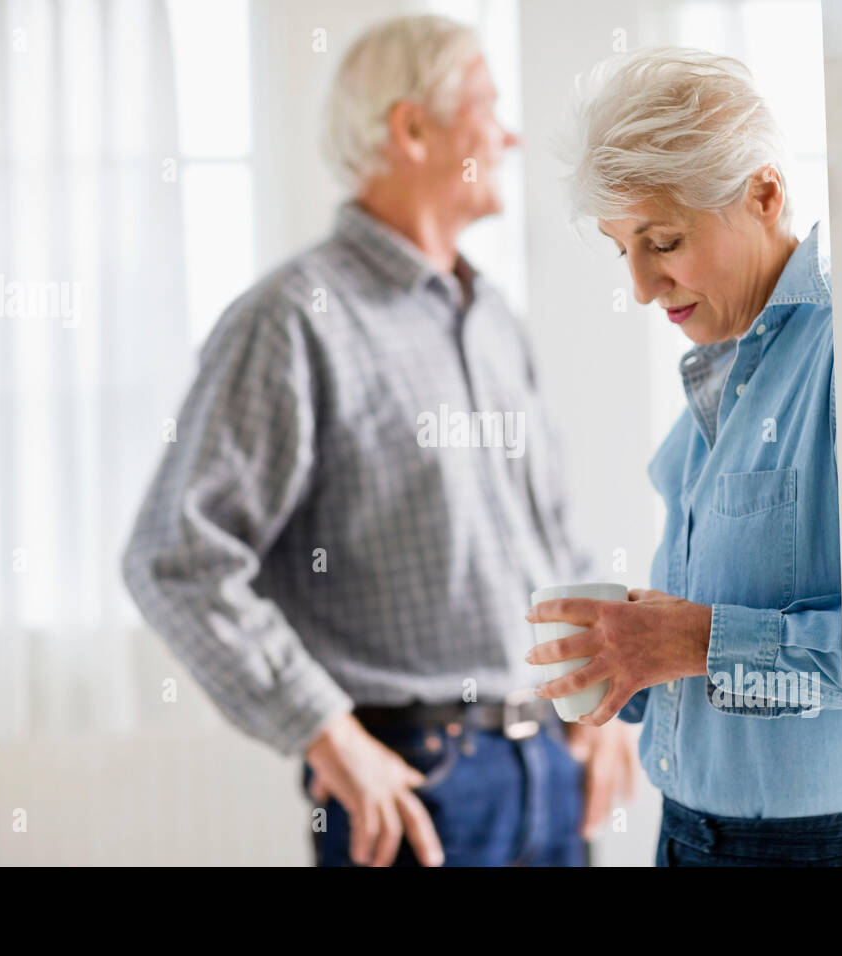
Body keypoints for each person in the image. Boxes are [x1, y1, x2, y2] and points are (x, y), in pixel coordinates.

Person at [121, 14, 635, 868]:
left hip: (552, 770)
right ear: (412, 129)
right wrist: (326, 734)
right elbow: (174, 557)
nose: (510, 136)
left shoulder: (497, 318)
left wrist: (598, 702)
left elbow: (552, 538)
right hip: (418, 789)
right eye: (489, 108)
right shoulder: (291, 321)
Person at [528, 47, 842, 866]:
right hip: (685, 832)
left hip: (802, 848)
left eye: (662, 241)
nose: (639, 286)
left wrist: (694, 642)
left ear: (765, 194)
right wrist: (636, 651)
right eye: (621, 249)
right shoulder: (725, 371)